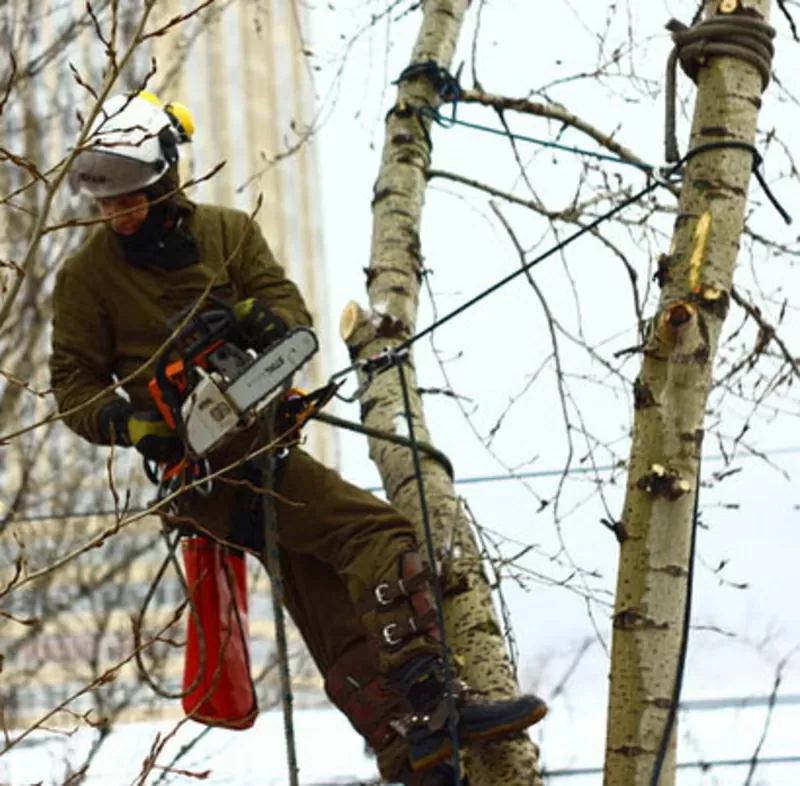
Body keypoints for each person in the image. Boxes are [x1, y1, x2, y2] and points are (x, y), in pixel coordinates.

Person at [50, 92, 547, 785]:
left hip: (266, 442)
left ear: (164, 177)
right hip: (202, 477)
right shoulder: (87, 279)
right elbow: (73, 384)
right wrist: (132, 424)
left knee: (329, 601)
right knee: (378, 535)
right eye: (107, 204)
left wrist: (251, 319)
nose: (119, 213)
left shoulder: (227, 234)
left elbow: (288, 312)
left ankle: (414, 758)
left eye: (130, 197)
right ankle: (436, 705)